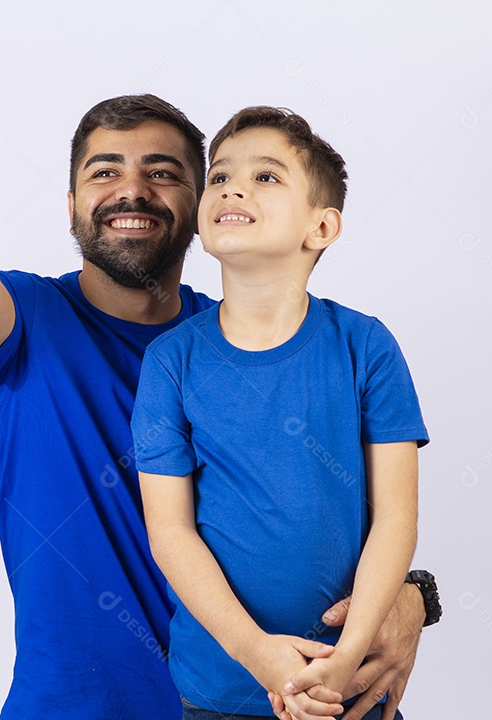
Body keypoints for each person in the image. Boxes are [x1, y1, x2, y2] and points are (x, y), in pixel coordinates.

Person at [0, 43, 432, 720]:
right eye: (105, 171)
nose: (132, 190)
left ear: (196, 207)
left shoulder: (279, 344)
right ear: (72, 203)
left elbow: (348, 514)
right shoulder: (21, 327)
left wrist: (411, 594)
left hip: (283, 700)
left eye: (163, 173)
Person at [132, 107, 429, 720]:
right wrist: (259, 655)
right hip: (218, 690)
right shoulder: (170, 363)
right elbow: (170, 532)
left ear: (321, 227)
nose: (232, 187)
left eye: (266, 177)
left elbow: (396, 516)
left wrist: (345, 660)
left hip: (349, 686)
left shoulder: (365, 346)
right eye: (219, 177)